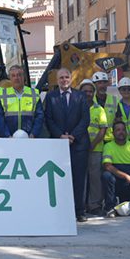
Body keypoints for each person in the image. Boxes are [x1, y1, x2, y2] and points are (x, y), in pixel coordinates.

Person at [45, 68, 91, 222]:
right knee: (60, 181)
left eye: (66, 77)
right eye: (61, 77)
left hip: (78, 144)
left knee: (79, 179)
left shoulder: (81, 96)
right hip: (58, 145)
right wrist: (60, 136)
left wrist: (72, 136)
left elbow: (85, 119)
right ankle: (62, 211)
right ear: (57, 80)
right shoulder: (51, 97)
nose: (64, 80)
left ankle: (80, 211)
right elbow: (49, 119)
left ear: (71, 78)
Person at [0, 65, 43, 138]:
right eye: (13, 75)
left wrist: (33, 134)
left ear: (23, 77)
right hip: (9, 138)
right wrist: (7, 135)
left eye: (19, 75)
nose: (16, 78)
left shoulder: (34, 93)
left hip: (30, 138)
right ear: (9, 78)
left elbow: (39, 116)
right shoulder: (3, 94)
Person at [83, 79, 108, 216]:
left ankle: (94, 205)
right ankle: (80, 204)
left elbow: (102, 129)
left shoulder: (99, 109)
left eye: (90, 91)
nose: (88, 94)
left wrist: (92, 145)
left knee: (95, 178)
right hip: (79, 148)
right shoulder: (77, 106)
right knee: (81, 177)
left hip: (95, 148)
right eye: (85, 91)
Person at [95, 72, 122, 145]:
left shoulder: (114, 100)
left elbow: (119, 120)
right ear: (95, 84)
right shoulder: (90, 101)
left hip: (110, 140)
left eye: (104, 83)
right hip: (94, 140)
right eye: (99, 83)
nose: (102, 85)